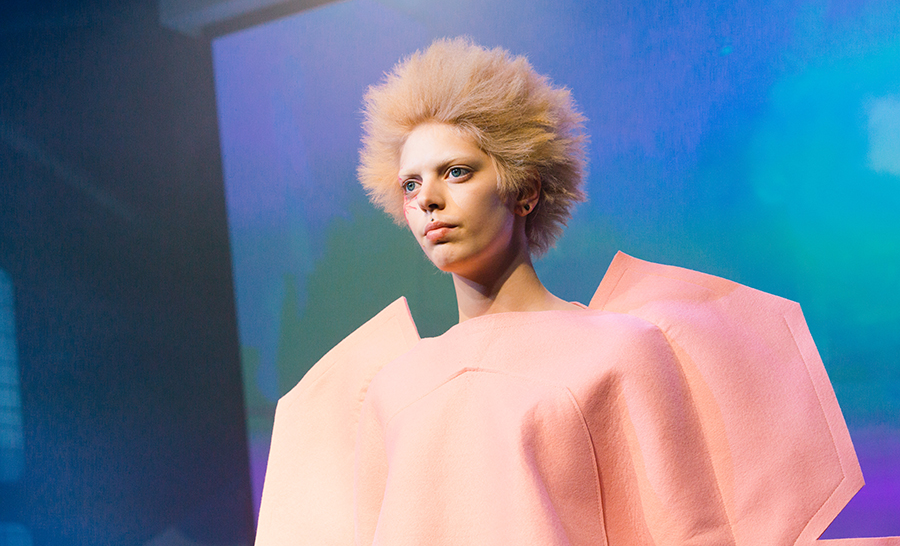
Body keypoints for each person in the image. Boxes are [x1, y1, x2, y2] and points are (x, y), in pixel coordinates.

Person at [255, 38, 898, 545]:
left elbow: (688, 532)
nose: (428, 199)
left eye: (456, 171)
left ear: (525, 189)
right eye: (411, 184)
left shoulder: (621, 350)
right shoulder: (393, 384)